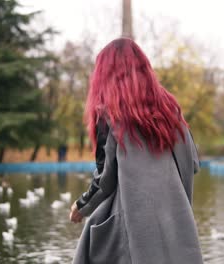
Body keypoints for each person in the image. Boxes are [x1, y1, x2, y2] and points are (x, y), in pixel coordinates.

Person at [69, 38, 203, 264]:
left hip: (134, 231)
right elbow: (191, 164)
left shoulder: (109, 114)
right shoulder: (170, 112)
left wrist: (81, 206)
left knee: (92, 246)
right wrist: (180, 210)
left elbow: (105, 179)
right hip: (177, 225)